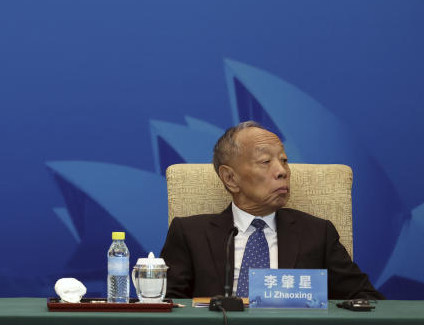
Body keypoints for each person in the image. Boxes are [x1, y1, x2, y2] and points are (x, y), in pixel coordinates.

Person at [160, 121, 384, 300]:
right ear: (230, 178)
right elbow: (167, 308)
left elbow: (367, 299)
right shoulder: (190, 233)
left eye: (284, 160)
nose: (283, 171)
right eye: (265, 161)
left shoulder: (317, 233)